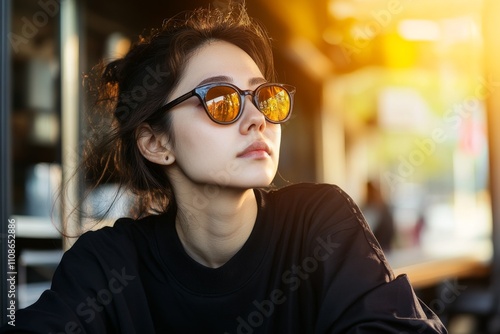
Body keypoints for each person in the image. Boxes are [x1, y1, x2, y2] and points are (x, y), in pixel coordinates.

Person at [1, 3, 447, 333]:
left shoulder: (318, 224)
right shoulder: (108, 266)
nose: (257, 118)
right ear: (156, 143)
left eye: (264, 97)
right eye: (221, 100)